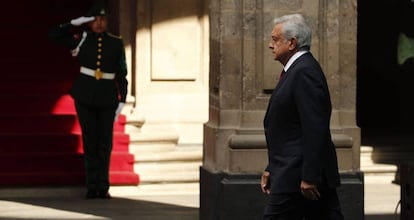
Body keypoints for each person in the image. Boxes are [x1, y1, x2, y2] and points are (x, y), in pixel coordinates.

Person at [261, 14, 344, 219]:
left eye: (275, 39)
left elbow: (314, 127)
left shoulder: (304, 72)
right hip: (290, 172)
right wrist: (272, 167)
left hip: (296, 176)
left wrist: (310, 177)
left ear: (292, 43)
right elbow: (289, 129)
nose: (270, 45)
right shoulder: (295, 70)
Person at [48, 3, 128, 199]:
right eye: (95, 20)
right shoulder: (81, 40)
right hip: (85, 96)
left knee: (105, 143)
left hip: (107, 97)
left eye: (102, 20)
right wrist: (75, 23)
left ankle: (104, 185)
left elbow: (122, 73)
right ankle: (92, 185)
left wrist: (122, 99)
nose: (99, 23)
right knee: (90, 141)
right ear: (89, 22)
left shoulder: (116, 43)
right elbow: (53, 34)